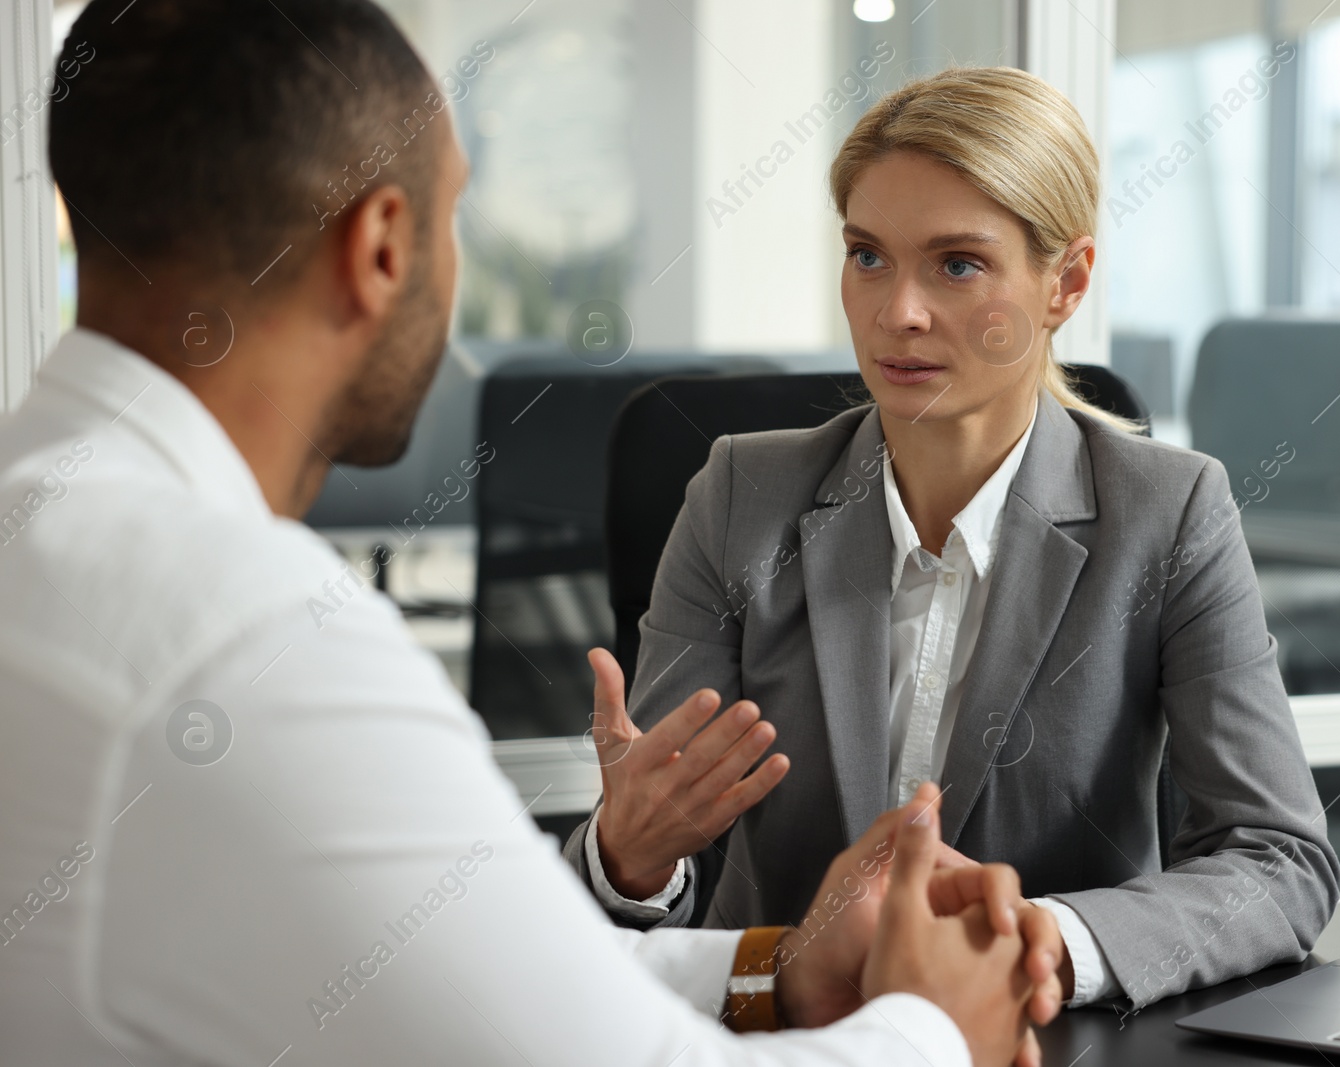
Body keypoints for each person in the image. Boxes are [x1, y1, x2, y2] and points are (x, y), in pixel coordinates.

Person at [0, 3, 1065, 1064]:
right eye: (452, 217)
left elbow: (488, 961)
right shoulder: (249, 638)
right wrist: (931, 1025)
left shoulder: (54, 532)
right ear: (379, 245)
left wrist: (774, 968)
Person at [568, 66, 1340, 1011]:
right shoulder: (741, 495)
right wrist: (629, 861)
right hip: (784, 1036)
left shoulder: (1169, 513)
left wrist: (1041, 942)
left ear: (1066, 283)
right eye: (868, 255)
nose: (899, 311)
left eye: (957, 264)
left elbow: (1279, 858)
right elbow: (663, 866)